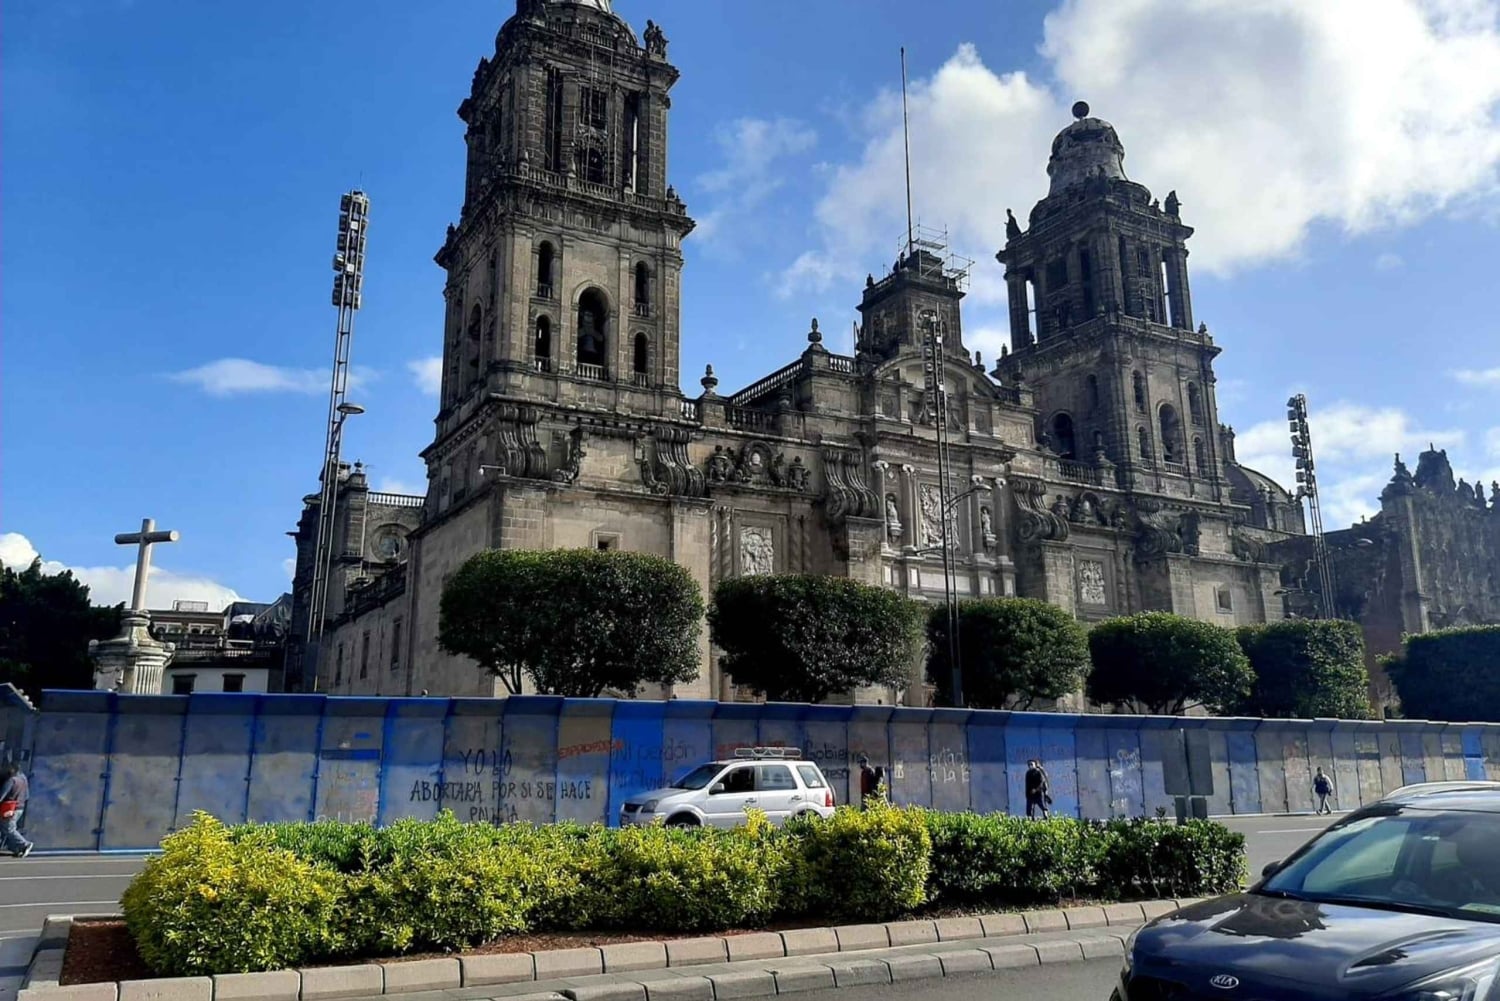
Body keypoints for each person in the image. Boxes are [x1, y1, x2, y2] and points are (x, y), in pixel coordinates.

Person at [0, 763, 33, 858]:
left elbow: (2, 795)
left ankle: (24, 844)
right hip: (20, 808)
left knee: (8, 828)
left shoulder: (11, 780)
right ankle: (16, 848)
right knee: (7, 827)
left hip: (9, 808)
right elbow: (27, 796)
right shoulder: (23, 779)